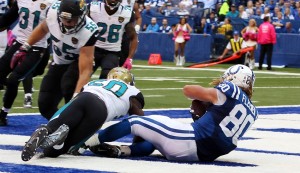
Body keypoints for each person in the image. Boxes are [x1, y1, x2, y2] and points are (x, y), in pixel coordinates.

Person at [84, 64, 258, 162]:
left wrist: (206, 98)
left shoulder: (229, 89)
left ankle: (86, 142)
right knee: (154, 139)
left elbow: (189, 90)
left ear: (232, 78)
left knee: (136, 122)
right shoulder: (252, 111)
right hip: (205, 154)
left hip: (189, 140)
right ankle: (122, 151)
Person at [21, 67, 145, 161]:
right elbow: (140, 121)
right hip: (100, 111)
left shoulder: (95, 82)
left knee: (57, 123)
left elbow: (77, 98)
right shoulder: (133, 92)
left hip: (84, 97)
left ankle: (46, 129)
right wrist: (138, 143)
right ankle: (60, 143)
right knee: (56, 151)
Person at [22, 0, 99, 120]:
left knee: (69, 85)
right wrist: (26, 45)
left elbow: (85, 71)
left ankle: (80, 124)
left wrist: (76, 96)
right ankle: (61, 125)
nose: (68, 23)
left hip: (77, 61)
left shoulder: (88, 30)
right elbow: (42, 28)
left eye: (72, 19)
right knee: (45, 103)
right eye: (64, 18)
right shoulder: (53, 12)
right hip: (59, 61)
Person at [0, 0, 58, 126]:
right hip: (18, 42)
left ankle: (3, 114)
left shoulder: (53, 3)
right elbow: (8, 18)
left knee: (13, 80)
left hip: (37, 48)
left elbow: (57, 29)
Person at [89, 0, 138, 79]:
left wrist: (129, 58)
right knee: (81, 74)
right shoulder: (93, 8)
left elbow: (133, 38)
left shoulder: (126, 13)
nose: (113, 0)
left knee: (107, 76)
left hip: (112, 51)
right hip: (93, 49)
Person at [115, 0, 142, 67]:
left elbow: (138, 17)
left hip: (125, 30)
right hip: (112, 30)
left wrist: (137, 27)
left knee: (123, 60)